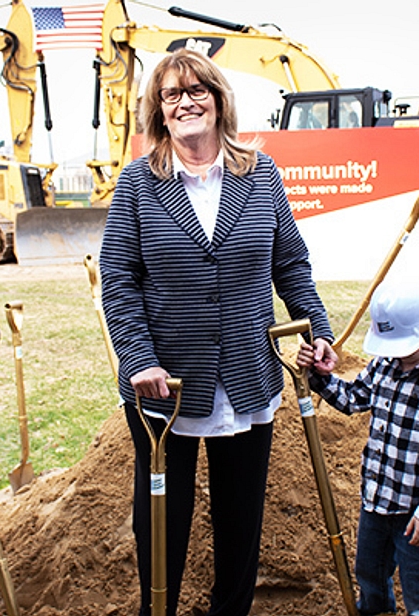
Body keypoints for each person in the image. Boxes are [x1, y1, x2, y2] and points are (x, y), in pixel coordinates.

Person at [99, 48, 338, 616]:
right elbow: (119, 279)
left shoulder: (261, 174)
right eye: (172, 95)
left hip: (247, 375)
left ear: (218, 98)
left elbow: (291, 265)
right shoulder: (137, 182)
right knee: (161, 520)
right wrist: (137, 360)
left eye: (197, 90)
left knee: (239, 521)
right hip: (167, 386)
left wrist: (319, 327)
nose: (186, 103)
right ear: (158, 111)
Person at [296, 279, 419, 616]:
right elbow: (352, 399)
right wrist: (317, 376)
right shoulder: (384, 365)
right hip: (376, 502)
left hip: (416, 515)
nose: (397, 351)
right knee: (369, 576)